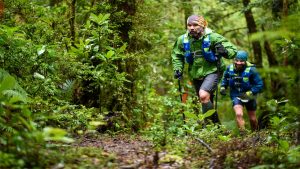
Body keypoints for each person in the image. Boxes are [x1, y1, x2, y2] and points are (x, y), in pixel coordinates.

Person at [171, 15, 237, 124]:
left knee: (203, 95)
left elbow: (232, 51)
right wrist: (178, 69)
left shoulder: (213, 37)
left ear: (203, 25)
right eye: (189, 25)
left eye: (195, 25)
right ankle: (217, 128)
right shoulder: (182, 40)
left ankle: (208, 126)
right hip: (195, 73)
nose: (192, 28)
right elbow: (177, 55)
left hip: (213, 70)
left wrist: (224, 51)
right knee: (206, 100)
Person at [220, 50, 263, 133]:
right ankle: (243, 136)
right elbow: (225, 78)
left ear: (245, 61)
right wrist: (223, 87)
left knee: (253, 119)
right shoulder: (230, 68)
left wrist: (250, 92)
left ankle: (256, 135)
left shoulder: (252, 70)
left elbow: (259, 85)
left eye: (241, 61)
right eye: (237, 60)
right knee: (239, 114)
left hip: (249, 95)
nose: (238, 63)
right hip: (236, 95)